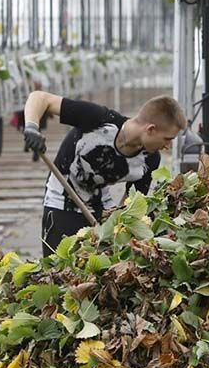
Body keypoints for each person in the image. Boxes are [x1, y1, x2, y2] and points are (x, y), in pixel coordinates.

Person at [23, 92, 185, 256]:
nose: (168, 146)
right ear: (151, 129)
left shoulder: (149, 160)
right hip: (62, 201)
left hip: (101, 208)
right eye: (167, 139)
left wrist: (116, 223)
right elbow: (40, 98)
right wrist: (31, 127)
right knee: (59, 266)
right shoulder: (98, 119)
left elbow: (131, 203)